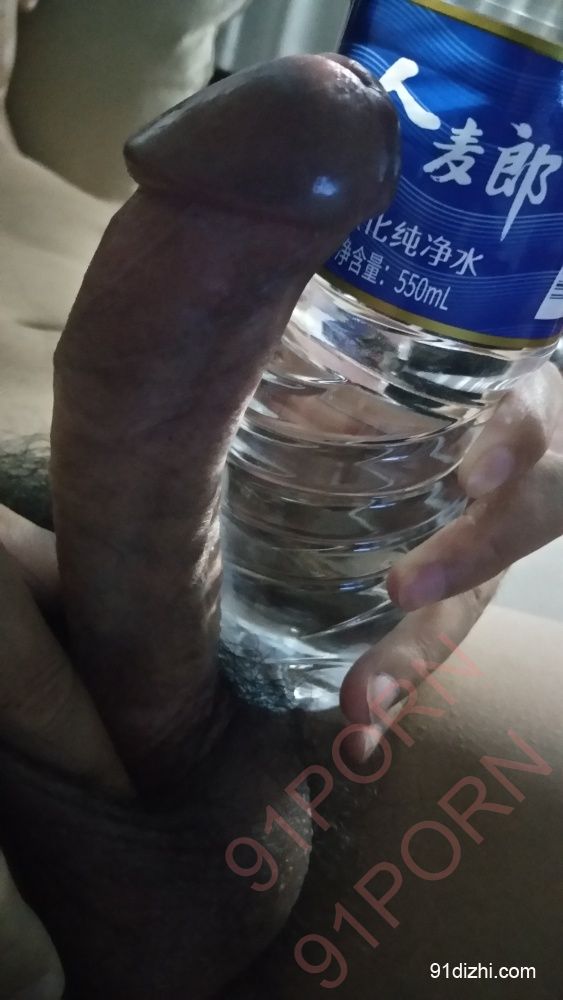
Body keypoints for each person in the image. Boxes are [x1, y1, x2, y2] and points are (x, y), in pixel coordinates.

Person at [0, 2, 562, 998]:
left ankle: (162, 667)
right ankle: (166, 693)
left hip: (236, 360)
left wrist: (512, 362)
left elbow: (118, 90)